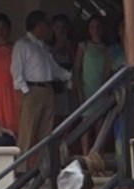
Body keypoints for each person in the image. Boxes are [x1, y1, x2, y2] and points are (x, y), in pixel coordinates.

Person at [11, 10, 72, 171]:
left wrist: (68, 76)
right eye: (45, 25)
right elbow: (16, 71)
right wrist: (25, 91)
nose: (47, 29)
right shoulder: (22, 44)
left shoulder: (42, 46)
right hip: (32, 90)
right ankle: (21, 170)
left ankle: (44, 169)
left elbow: (53, 68)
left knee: (46, 133)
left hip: (47, 89)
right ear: (37, 26)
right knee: (28, 132)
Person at [73, 15, 111, 153]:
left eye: (98, 27)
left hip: (100, 89)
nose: (95, 30)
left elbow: (107, 72)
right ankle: (85, 156)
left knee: (99, 125)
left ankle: (97, 156)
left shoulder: (106, 49)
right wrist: (79, 91)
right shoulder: (83, 46)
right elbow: (77, 69)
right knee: (85, 124)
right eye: (92, 27)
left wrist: (105, 89)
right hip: (86, 88)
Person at [50, 14, 76, 125]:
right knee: (55, 114)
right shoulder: (48, 45)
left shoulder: (71, 45)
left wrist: (69, 47)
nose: (61, 30)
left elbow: (76, 63)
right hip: (54, 85)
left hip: (67, 84)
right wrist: (57, 47)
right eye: (58, 27)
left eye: (64, 27)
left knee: (67, 115)